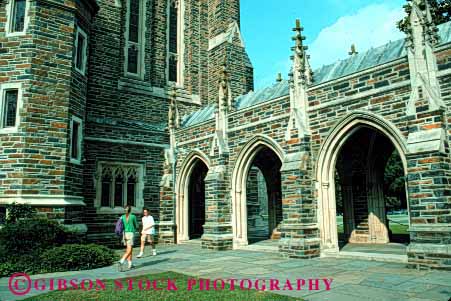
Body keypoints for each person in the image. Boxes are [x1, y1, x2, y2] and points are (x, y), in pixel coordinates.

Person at [118, 205, 139, 271]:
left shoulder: (122, 217)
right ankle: (122, 261)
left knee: (129, 249)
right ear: (130, 210)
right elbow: (136, 225)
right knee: (129, 250)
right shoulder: (133, 216)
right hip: (130, 234)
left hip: (125, 234)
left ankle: (130, 264)